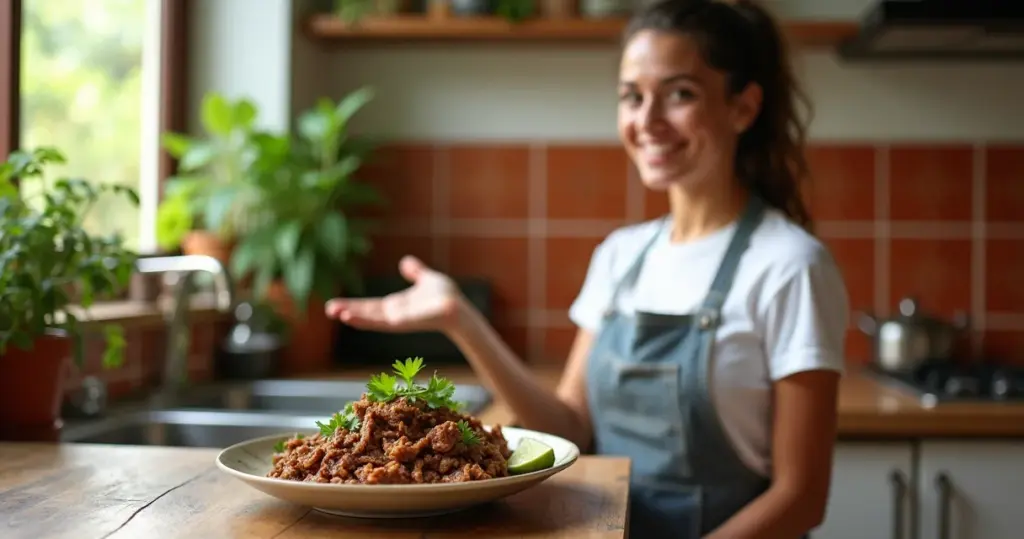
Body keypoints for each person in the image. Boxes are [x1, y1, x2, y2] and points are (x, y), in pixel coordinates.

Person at [325, 0, 849, 537]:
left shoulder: (789, 266)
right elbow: (570, 427)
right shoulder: (621, 256)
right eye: (632, 96)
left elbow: (800, 497)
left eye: (680, 94)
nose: (647, 121)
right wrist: (462, 320)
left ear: (743, 107)